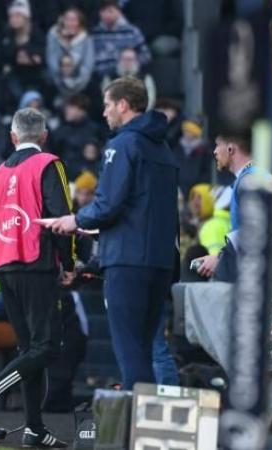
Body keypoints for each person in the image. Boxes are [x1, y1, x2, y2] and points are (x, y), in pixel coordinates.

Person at [46, 77, 178, 390]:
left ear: (123, 105)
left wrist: (74, 220)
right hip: (160, 261)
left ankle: (134, 431)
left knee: (130, 350)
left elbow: (106, 205)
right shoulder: (163, 146)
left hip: (128, 259)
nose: (104, 113)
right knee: (147, 347)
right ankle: (150, 429)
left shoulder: (122, 145)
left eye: (107, 105)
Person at [0, 107, 74, 447]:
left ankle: (34, 429)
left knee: (29, 348)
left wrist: (0, 257)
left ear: (13, 137)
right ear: (43, 136)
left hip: (4, 266)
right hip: (36, 263)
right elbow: (60, 217)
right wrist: (69, 262)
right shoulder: (49, 164)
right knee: (47, 347)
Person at [194, 134, 254, 278]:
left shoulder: (249, 182)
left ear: (230, 148)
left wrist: (220, 260)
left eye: (217, 145)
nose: (214, 151)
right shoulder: (248, 179)